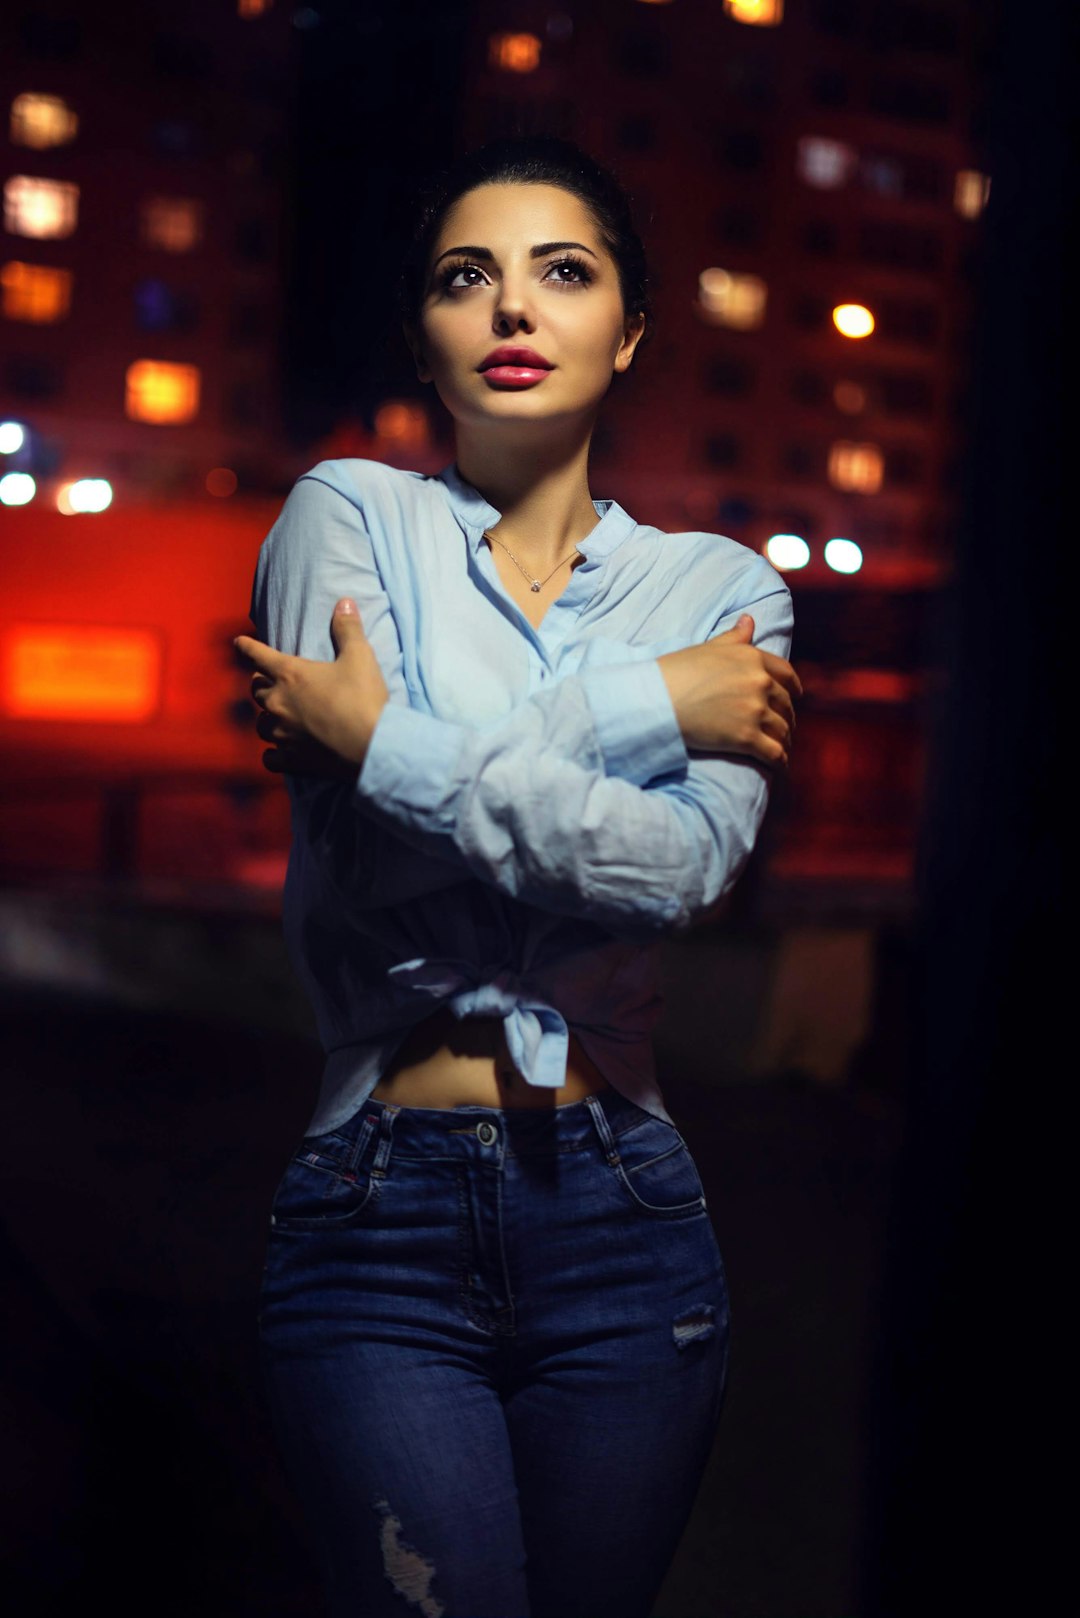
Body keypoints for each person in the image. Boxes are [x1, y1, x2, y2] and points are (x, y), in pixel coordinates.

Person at [235, 135, 799, 1618]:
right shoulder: (347, 515)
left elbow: (681, 872)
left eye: (563, 271)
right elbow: (365, 859)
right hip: (376, 1218)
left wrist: (385, 735)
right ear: (424, 334)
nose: (512, 309)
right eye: (464, 276)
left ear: (628, 332)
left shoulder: (725, 594)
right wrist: (642, 711)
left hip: (625, 1208)